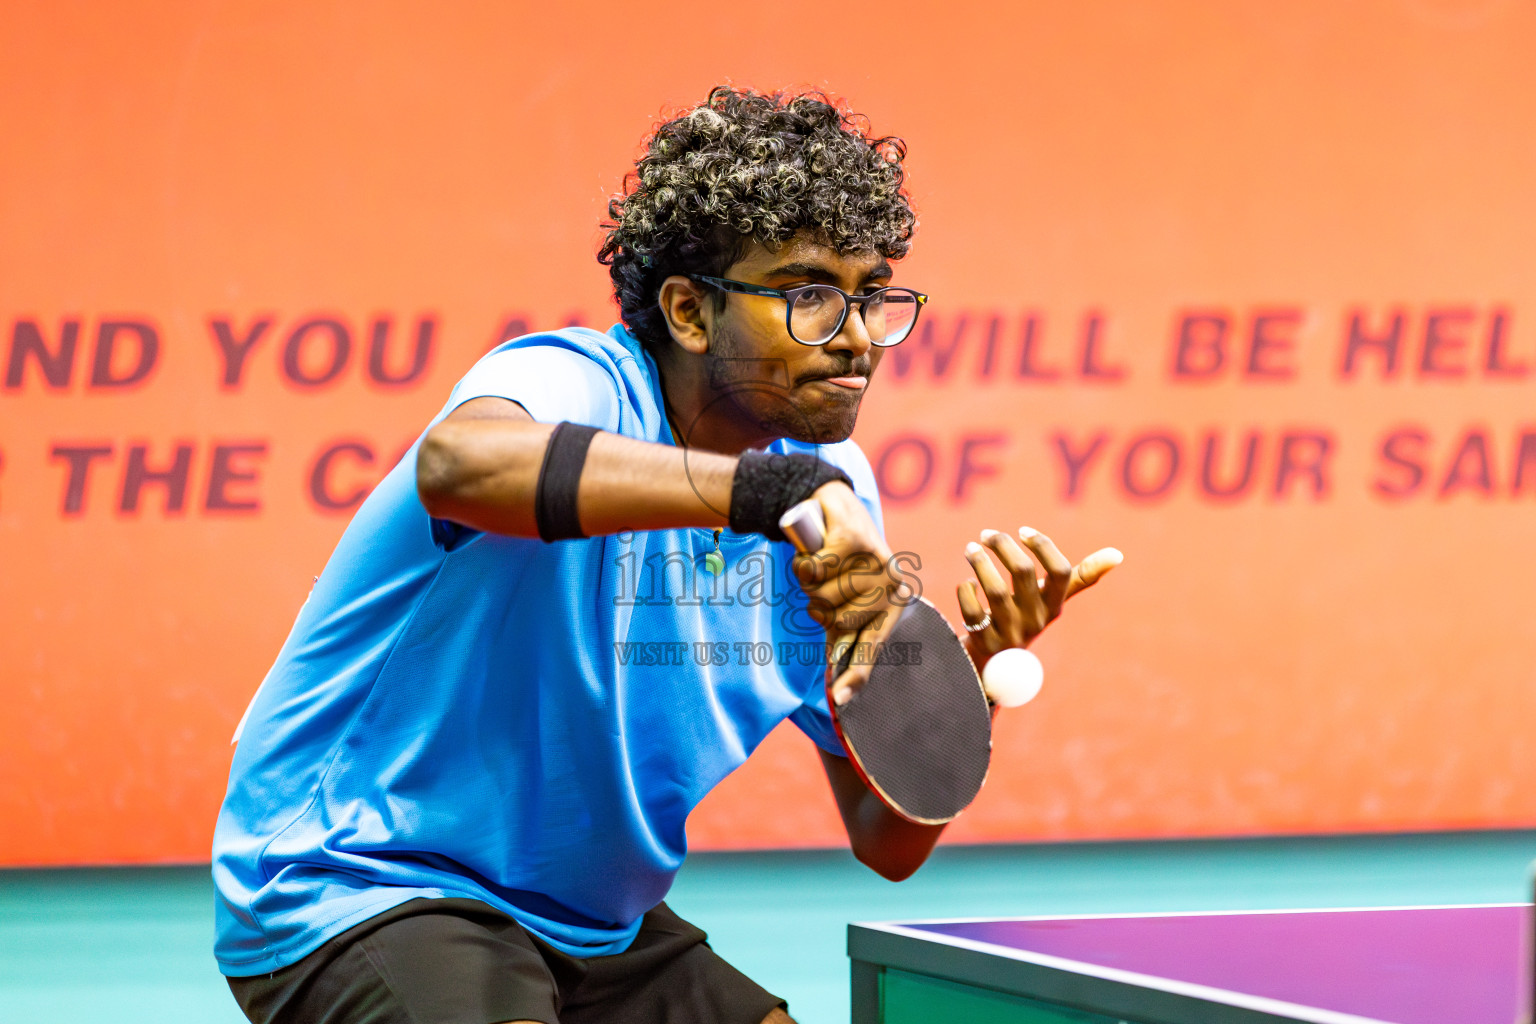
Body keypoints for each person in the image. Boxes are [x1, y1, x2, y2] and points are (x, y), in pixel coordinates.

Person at [213, 85, 1119, 1024]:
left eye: (872, 295)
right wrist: (772, 498)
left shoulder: (831, 478)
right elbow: (459, 465)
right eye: (809, 295)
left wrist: (954, 684)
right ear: (689, 311)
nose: (855, 337)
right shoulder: (576, 382)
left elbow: (886, 838)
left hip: (595, 928)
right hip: (365, 882)